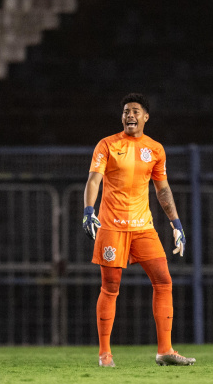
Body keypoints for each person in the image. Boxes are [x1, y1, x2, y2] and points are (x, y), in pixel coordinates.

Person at [82, 93, 196, 367]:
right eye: (125, 111)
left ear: (146, 117)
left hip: (144, 228)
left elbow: (163, 189)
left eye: (135, 111)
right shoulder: (107, 144)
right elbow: (94, 180)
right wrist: (88, 210)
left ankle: (165, 350)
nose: (129, 115)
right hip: (112, 227)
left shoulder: (155, 149)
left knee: (164, 281)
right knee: (110, 287)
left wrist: (176, 223)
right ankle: (105, 353)